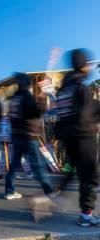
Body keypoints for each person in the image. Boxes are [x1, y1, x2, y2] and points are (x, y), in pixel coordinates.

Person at [55, 49, 100, 226]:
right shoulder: (80, 88)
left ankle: (57, 197)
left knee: (77, 172)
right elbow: (87, 114)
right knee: (88, 176)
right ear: (83, 66)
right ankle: (86, 216)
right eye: (88, 64)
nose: (90, 68)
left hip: (69, 137)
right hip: (83, 137)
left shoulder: (63, 90)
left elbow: (68, 112)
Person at [5, 72, 54, 200]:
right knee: (38, 165)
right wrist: (43, 98)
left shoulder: (14, 98)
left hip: (16, 135)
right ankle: (48, 191)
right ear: (27, 84)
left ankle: (9, 191)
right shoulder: (26, 96)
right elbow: (36, 113)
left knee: (15, 164)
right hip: (28, 135)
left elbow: (11, 116)